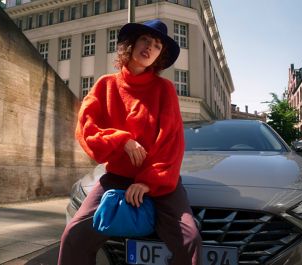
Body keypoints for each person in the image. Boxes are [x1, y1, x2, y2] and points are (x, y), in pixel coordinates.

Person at [58, 19, 201, 265]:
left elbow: (172, 142)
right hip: (117, 177)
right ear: (131, 44)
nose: (149, 47)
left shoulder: (165, 89)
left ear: (159, 56)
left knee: (190, 239)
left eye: (157, 45)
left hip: (159, 180)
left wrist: (147, 183)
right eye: (145, 39)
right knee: (74, 235)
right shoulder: (105, 85)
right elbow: (87, 130)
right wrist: (123, 140)